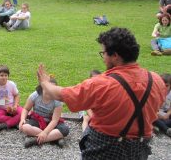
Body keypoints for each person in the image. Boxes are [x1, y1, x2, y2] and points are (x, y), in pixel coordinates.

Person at [36, 27, 167, 159]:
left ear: (115, 56)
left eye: (103, 53)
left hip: (105, 149)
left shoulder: (101, 84)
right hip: (139, 151)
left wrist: (45, 83)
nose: (103, 57)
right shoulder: (157, 81)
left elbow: (61, 94)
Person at [19, 78, 69, 148]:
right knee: (25, 127)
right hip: (37, 120)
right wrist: (22, 119)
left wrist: (45, 132)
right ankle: (54, 139)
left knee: (65, 129)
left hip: (51, 122)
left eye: (52, 89)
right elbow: (26, 109)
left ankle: (36, 140)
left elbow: (54, 120)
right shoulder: (35, 95)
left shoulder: (57, 101)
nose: (50, 91)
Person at [0, 65, 23, 131]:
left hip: (12, 105)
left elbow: (16, 95)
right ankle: (14, 122)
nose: (4, 77)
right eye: (1, 75)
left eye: (6, 75)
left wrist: (15, 105)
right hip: (1, 107)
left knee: (23, 113)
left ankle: (6, 124)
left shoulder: (11, 84)